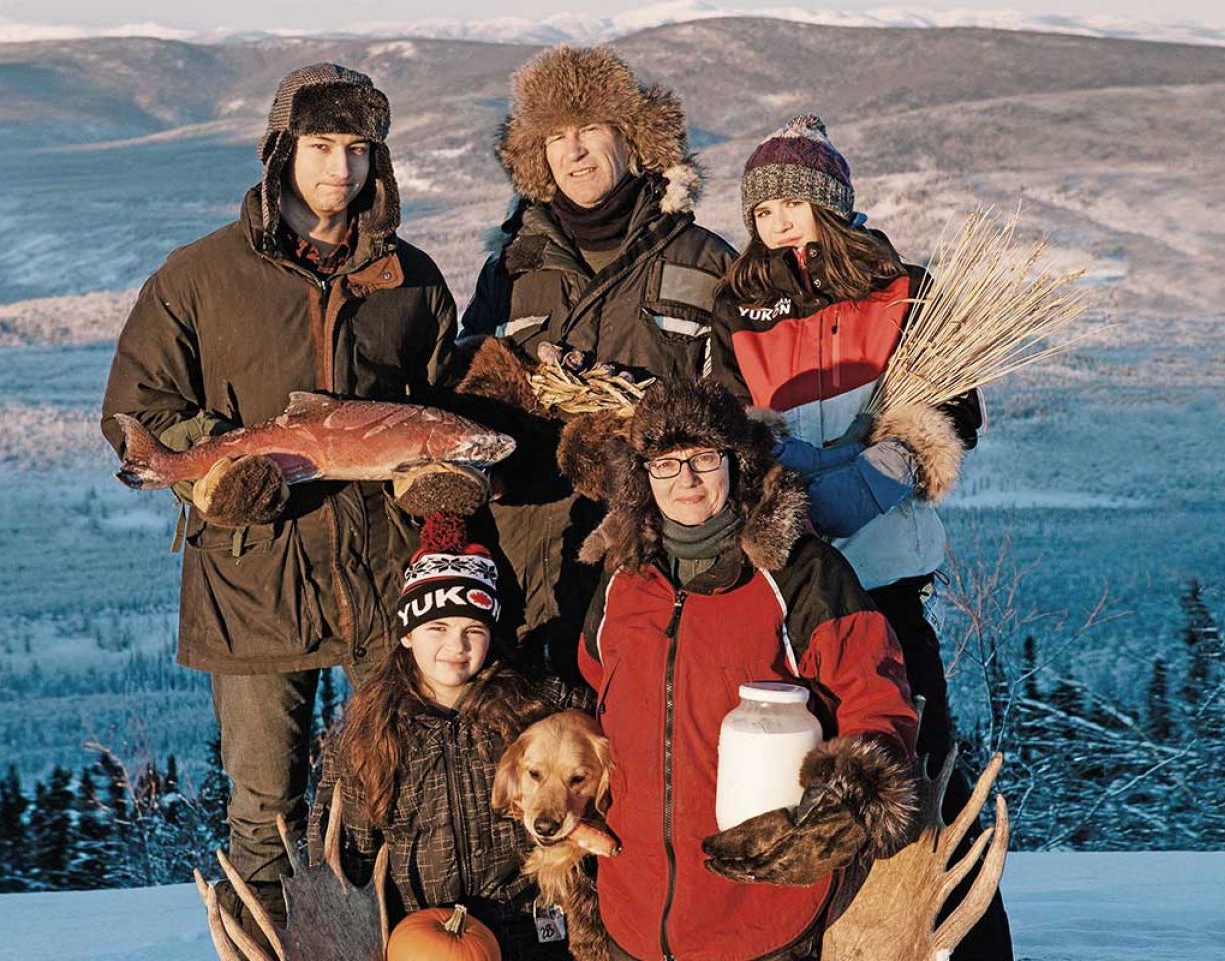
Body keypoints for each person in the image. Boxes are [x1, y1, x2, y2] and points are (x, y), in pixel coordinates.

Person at [99, 64, 456, 928]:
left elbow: (444, 407)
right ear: (281, 151)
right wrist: (220, 476)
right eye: (323, 147)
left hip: (380, 580)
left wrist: (440, 482)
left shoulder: (411, 280)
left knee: (386, 798)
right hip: (250, 578)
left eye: (358, 151)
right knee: (263, 817)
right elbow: (134, 412)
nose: (341, 169)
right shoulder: (200, 277)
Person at [709, 115, 1011, 959]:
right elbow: (727, 422)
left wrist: (886, 463)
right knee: (795, 791)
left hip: (884, 582)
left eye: (794, 203)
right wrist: (787, 470)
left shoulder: (900, 288)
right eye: (763, 210)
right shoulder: (739, 306)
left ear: (831, 203)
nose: (777, 223)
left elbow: (957, 410)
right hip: (795, 593)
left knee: (923, 784)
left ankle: (965, 941)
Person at [577, 378, 921, 961]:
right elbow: (590, 691)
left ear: (735, 463)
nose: (684, 479)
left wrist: (835, 813)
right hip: (629, 915)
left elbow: (877, 700)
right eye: (665, 463)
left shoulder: (800, 573)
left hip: (760, 917)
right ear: (644, 475)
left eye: (702, 459)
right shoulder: (622, 579)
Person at [455, 45, 736, 681]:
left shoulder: (704, 261)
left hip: (653, 556)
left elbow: (737, 408)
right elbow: (469, 397)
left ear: (632, 138)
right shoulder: (512, 266)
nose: (574, 152)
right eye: (555, 137)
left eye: (590, 130)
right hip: (530, 556)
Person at [311, 514, 589, 961]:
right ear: (407, 634)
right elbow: (345, 860)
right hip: (421, 935)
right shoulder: (372, 735)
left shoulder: (533, 707)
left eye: (472, 631)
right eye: (437, 628)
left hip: (531, 931)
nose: (455, 647)